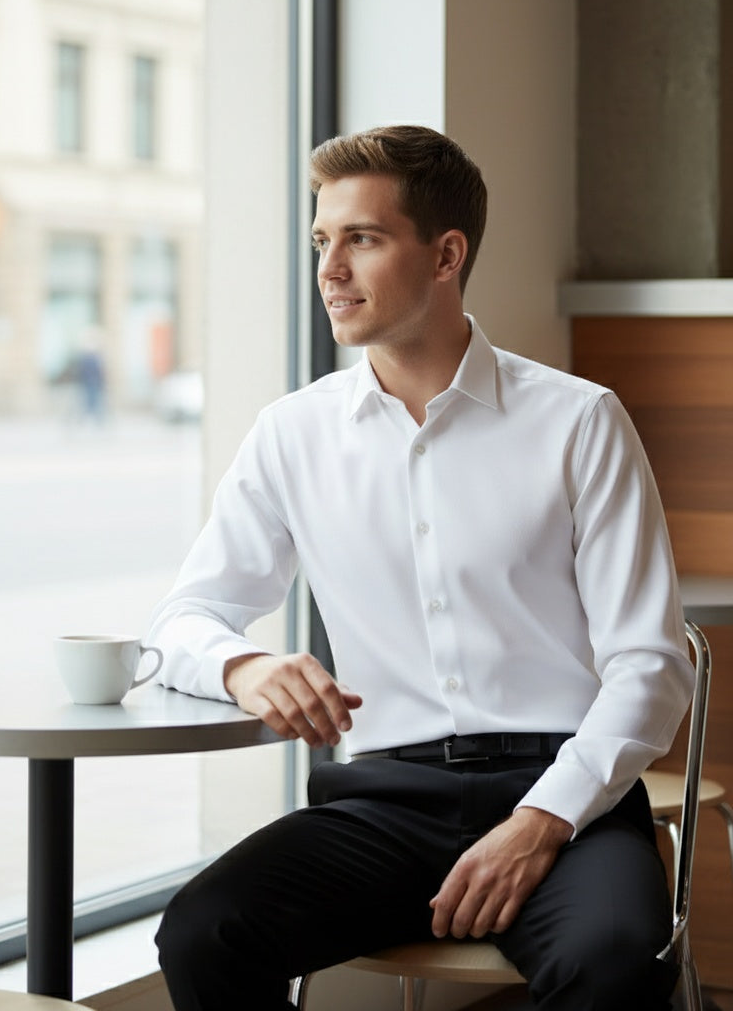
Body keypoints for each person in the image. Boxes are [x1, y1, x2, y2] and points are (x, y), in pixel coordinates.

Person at [145, 124, 695, 1011]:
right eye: (323, 240)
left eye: (361, 239)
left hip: (567, 797)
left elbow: (651, 665)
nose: (329, 269)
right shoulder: (293, 434)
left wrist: (542, 820)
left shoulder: (579, 420)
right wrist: (245, 665)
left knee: (615, 961)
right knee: (206, 931)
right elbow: (178, 625)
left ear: (446, 255)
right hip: (384, 805)